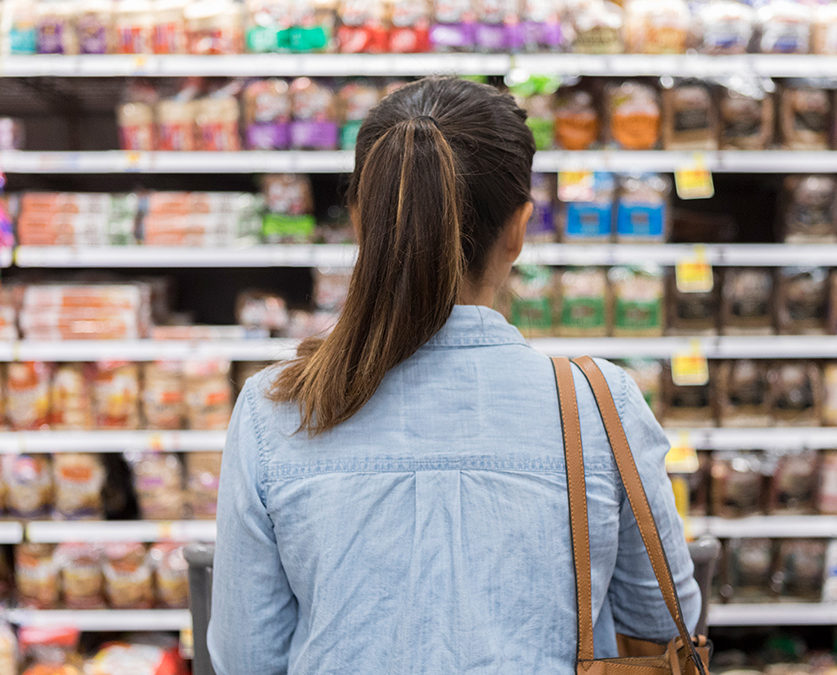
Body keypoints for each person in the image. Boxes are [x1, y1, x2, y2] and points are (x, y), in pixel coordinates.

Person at [208, 76, 700, 675]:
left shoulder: (276, 408)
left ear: (362, 223)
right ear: (520, 229)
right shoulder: (599, 402)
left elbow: (246, 657)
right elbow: (661, 618)